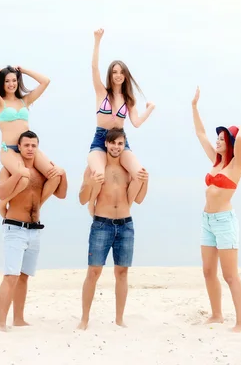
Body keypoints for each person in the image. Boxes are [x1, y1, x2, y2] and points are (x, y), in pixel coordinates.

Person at [76, 127, 149, 330]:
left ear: (124, 145)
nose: (116, 147)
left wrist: (145, 180)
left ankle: (119, 319)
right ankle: (84, 319)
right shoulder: (95, 168)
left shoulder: (129, 170)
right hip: (102, 224)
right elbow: (82, 199)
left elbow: (140, 199)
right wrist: (90, 183)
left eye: (120, 143)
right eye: (113, 143)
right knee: (93, 272)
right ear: (106, 144)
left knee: (122, 273)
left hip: (126, 224)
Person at [0, 130, 67, 332]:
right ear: (19, 147)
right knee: (11, 276)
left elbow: (61, 194)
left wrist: (63, 172)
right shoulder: (9, 169)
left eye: (34, 145)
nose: (30, 149)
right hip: (15, 228)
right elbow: (0, 192)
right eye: (26, 145)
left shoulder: (41, 172)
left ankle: (18, 318)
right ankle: (0, 323)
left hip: (35, 230)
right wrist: (18, 173)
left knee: (24, 276)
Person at [191, 86, 241, 333]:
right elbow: (200, 132)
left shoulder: (236, 166)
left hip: (225, 221)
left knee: (230, 275)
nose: (217, 141)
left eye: (222, 139)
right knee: (207, 271)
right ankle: (216, 314)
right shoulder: (215, 161)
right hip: (207, 220)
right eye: (218, 139)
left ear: (231, 144)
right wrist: (194, 107)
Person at [86, 28, 156, 217]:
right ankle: (93, 207)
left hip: (120, 141)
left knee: (139, 174)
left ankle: (125, 207)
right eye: (115, 72)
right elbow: (94, 68)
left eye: (121, 72)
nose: (118, 75)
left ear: (125, 75)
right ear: (111, 74)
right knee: (99, 175)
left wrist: (149, 109)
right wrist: (97, 40)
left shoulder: (128, 99)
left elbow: (136, 122)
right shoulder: (102, 92)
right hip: (101, 140)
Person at [0, 65, 64, 218]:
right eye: (7, 81)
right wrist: (1, 70)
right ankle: (3, 203)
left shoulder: (24, 101)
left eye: (14, 80)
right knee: (23, 176)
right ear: (2, 83)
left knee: (55, 176)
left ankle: (36, 208)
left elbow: (45, 81)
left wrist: (24, 71)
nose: (11, 84)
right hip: (9, 150)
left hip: (29, 148)